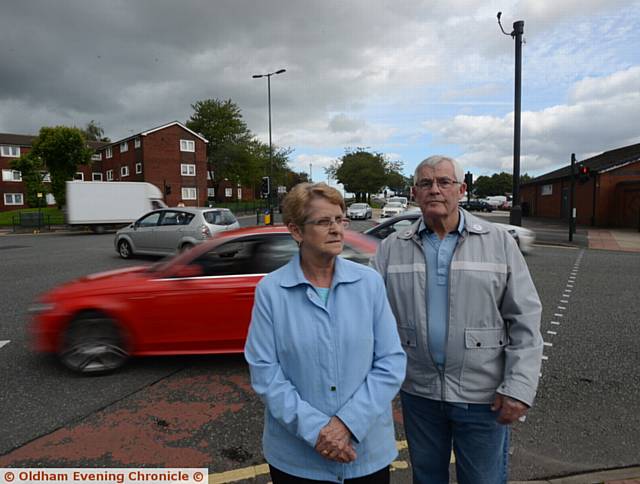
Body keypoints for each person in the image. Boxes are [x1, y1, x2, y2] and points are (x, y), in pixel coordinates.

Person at [372, 156, 543, 484]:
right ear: (414, 192)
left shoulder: (498, 242)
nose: (434, 189)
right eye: (425, 183)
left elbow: (525, 318)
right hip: (419, 393)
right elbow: (370, 317)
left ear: (461, 190)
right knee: (426, 479)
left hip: (483, 397)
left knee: (483, 479)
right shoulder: (391, 248)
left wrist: (519, 387)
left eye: (443, 182)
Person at [245, 182, 406, 484]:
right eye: (323, 221)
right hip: (298, 460)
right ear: (296, 231)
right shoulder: (271, 291)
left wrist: (346, 425)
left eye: (340, 219)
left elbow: (390, 362)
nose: (336, 229)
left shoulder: (369, 283)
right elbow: (265, 373)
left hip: (366, 454)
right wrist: (317, 431)